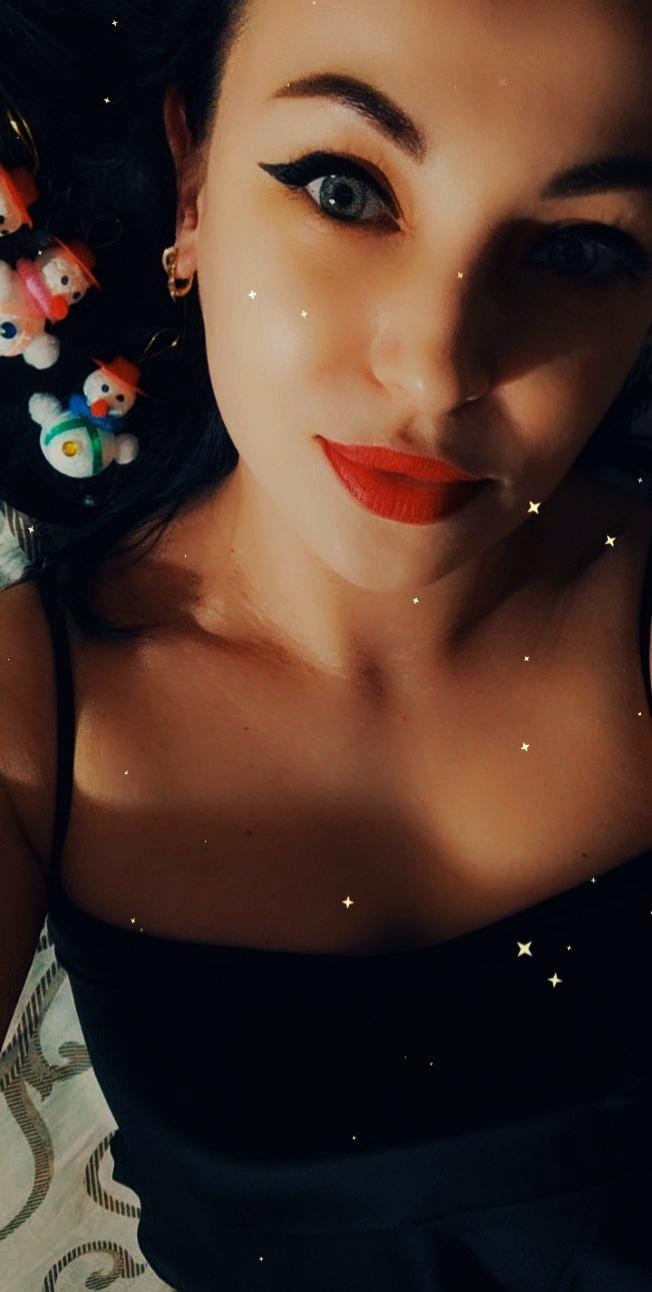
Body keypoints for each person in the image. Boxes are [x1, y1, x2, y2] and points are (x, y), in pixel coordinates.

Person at [1, 0, 652, 1286]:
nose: (438, 368)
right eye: (343, 189)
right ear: (193, 178)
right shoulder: (30, 712)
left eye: (578, 249)